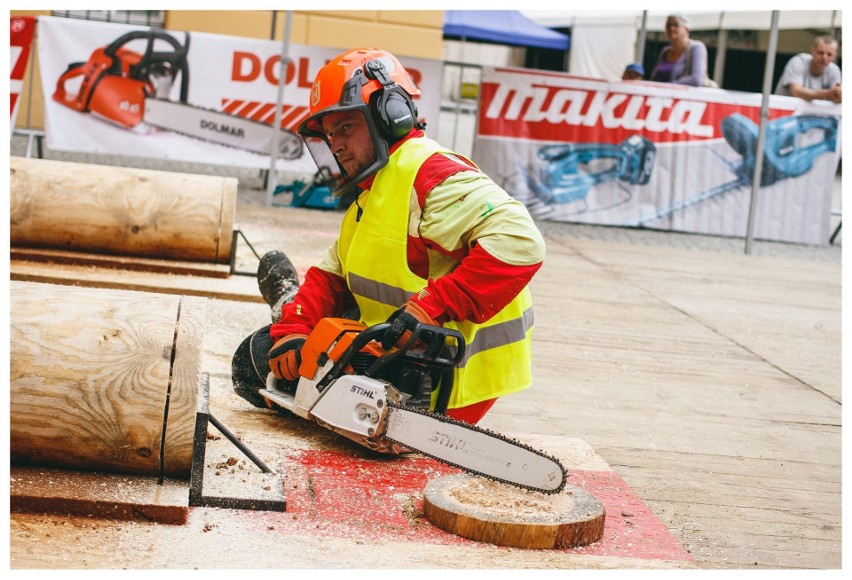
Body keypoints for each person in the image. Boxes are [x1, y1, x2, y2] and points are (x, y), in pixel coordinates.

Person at [231, 47, 545, 427]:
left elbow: (521, 240)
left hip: (451, 373)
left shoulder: (431, 175)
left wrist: (433, 306)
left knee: (281, 375)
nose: (337, 145)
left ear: (389, 113)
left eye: (345, 127)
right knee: (259, 357)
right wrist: (294, 328)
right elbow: (331, 276)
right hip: (394, 351)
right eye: (330, 135)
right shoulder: (373, 189)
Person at [775, 35, 842, 103]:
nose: (824, 57)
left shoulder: (834, 70)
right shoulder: (798, 62)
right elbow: (796, 92)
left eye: (829, 54)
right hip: (785, 110)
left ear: (835, 56)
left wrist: (838, 94)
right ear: (812, 51)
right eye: (820, 53)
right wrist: (827, 94)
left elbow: (836, 97)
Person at [649, 13, 708, 87]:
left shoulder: (696, 48)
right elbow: (655, 78)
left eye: (676, 25)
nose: (671, 28)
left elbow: (696, 80)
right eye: (668, 25)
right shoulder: (665, 52)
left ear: (687, 29)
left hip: (686, 97)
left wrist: (668, 86)